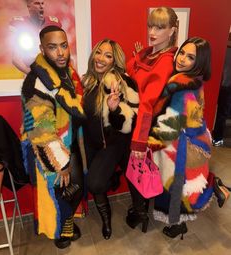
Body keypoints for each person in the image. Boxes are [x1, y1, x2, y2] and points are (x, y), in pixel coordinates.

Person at [147, 37, 230, 239]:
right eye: (182, 52)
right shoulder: (192, 81)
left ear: (199, 62)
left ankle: (177, 226)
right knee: (183, 186)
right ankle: (215, 185)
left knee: (177, 190)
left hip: (180, 146)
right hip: (193, 139)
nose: (182, 59)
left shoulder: (182, 87)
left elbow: (171, 124)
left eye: (190, 57)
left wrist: (148, 143)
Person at [21, 25, 85, 249]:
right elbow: (41, 133)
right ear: (42, 49)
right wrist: (61, 163)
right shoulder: (36, 82)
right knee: (60, 190)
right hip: (52, 149)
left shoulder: (65, 72)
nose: (60, 53)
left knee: (76, 186)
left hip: (72, 140)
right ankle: (62, 230)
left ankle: (66, 221)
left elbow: (73, 100)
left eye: (64, 46)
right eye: (53, 47)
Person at [125, 6, 178, 233]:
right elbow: (130, 67)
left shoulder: (165, 60)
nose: (153, 31)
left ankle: (144, 214)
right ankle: (141, 212)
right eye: (151, 25)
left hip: (151, 126)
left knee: (148, 172)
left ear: (172, 30)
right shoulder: (151, 53)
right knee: (142, 172)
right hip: (142, 122)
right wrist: (139, 57)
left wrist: (139, 141)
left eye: (160, 27)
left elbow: (147, 103)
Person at [82, 38, 139, 239]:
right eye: (99, 52)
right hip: (90, 143)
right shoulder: (86, 82)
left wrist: (115, 110)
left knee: (96, 183)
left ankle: (111, 178)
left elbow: (130, 122)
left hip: (113, 143)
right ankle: (106, 222)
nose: (101, 58)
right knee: (95, 184)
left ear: (114, 61)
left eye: (108, 55)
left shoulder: (123, 82)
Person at [9, 0, 61, 74]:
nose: (41, 6)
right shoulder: (20, 24)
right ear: (29, 7)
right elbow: (15, 59)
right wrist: (31, 74)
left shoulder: (53, 23)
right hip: (31, 69)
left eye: (42, 3)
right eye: (37, 3)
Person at [212, 32, 231, 146]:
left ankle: (215, 137)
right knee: (222, 113)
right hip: (227, 85)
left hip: (219, 83)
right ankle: (218, 138)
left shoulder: (223, 49)